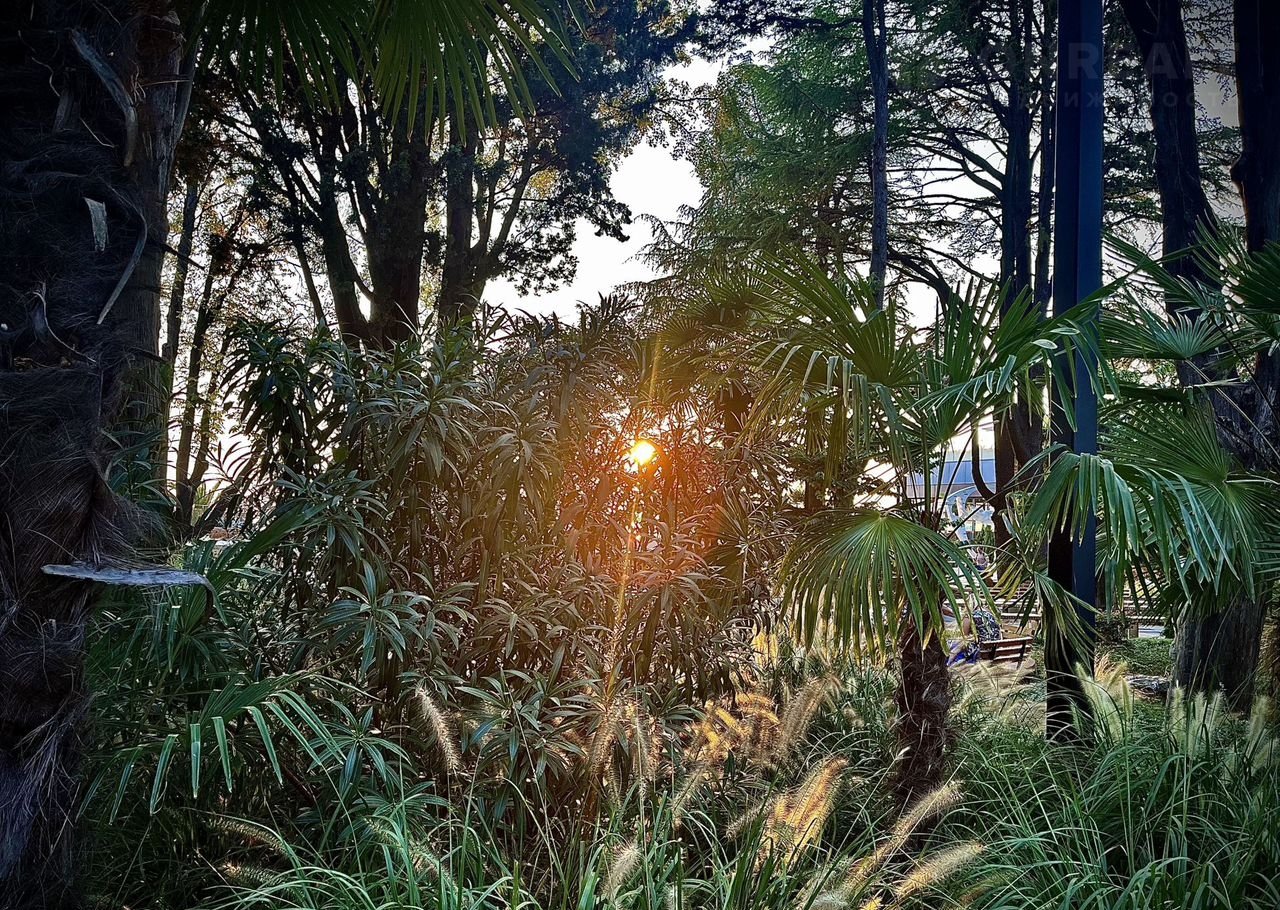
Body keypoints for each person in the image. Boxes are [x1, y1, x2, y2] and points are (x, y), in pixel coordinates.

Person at [943, 599, 1002, 666]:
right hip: (994, 648)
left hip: (980, 650)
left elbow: (964, 637)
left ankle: (949, 664)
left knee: (956, 646)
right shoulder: (990, 614)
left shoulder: (969, 616)